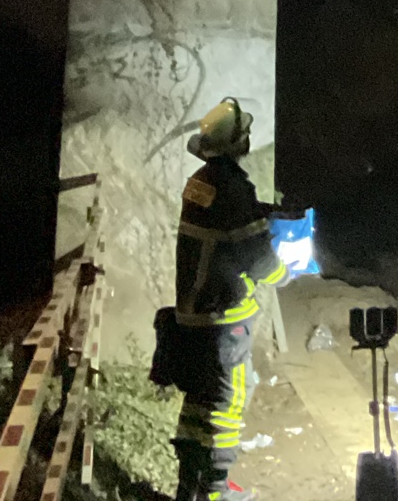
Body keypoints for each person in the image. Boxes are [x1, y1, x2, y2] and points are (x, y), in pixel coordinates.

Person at [169, 99, 288, 501]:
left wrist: (260, 211)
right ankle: (216, 492)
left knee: (198, 404)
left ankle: (188, 488)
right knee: (228, 403)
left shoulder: (200, 181)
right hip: (224, 320)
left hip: (193, 311)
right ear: (236, 142)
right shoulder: (235, 189)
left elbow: (222, 221)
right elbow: (257, 258)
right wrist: (283, 271)